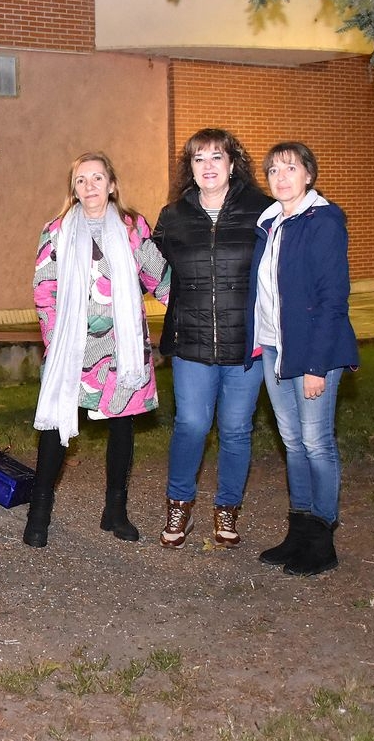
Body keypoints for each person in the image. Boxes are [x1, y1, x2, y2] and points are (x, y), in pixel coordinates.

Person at [24, 151, 169, 548]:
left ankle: (115, 511)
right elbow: (44, 290)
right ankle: (39, 514)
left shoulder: (132, 227)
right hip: (72, 346)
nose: (90, 186)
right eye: (82, 179)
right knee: (55, 425)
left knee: (122, 425)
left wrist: (193, 313)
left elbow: (158, 276)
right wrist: (56, 343)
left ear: (112, 184)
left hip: (121, 345)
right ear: (74, 188)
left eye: (97, 178)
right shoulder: (55, 231)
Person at [151, 129, 272, 549]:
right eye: (199, 159)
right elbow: (151, 268)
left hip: (246, 345)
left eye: (216, 157)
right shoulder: (174, 216)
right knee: (192, 424)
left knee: (237, 429)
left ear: (233, 164)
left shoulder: (263, 212)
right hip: (192, 342)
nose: (208, 166)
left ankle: (227, 511)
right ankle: (179, 506)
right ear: (191, 168)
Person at [253, 142, 359, 576]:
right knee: (292, 442)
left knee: (317, 443)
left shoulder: (323, 221)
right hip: (275, 347)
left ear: (309, 175)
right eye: (274, 170)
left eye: (290, 168)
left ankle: (322, 540)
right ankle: (298, 532)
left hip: (313, 351)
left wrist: (317, 366)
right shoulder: (270, 223)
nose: (281, 177)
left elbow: (334, 299)